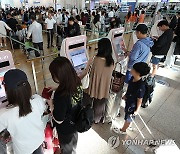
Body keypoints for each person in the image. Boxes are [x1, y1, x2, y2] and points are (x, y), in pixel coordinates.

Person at [0, 69, 46, 154]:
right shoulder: (37, 100)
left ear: (7, 90)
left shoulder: (4, 114)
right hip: (38, 142)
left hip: (24, 151)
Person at [48, 57, 82, 154]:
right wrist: (56, 88)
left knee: (67, 148)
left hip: (66, 129)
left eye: (53, 75)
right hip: (76, 120)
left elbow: (59, 119)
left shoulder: (61, 94)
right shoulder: (77, 81)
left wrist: (51, 105)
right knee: (73, 144)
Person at [113, 62, 150, 134]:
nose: (131, 69)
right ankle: (128, 125)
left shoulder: (140, 86)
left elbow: (139, 99)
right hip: (129, 100)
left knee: (128, 117)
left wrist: (137, 110)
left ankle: (123, 130)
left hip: (133, 104)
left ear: (138, 73)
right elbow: (130, 88)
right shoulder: (133, 78)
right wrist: (126, 95)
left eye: (133, 69)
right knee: (128, 115)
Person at [83, 38, 114, 124]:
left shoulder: (94, 59)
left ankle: (85, 117)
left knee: (87, 100)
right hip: (104, 87)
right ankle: (96, 119)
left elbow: (87, 71)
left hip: (92, 85)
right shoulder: (111, 61)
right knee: (100, 104)